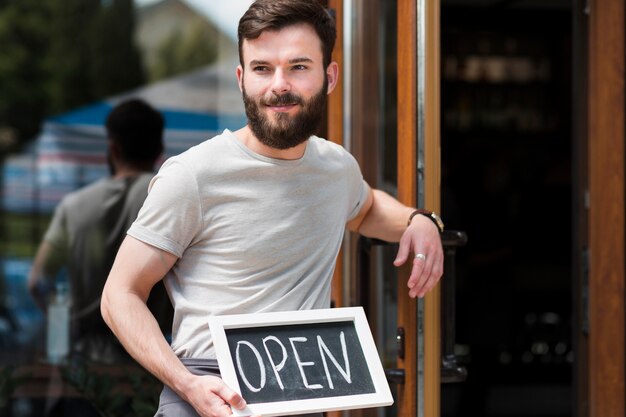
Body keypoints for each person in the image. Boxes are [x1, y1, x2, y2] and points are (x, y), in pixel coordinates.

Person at [101, 1, 444, 416]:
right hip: (208, 393)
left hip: (307, 392)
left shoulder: (335, 167)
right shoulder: (193, 174)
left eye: (298, 67)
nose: (279, 85)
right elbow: (120, 294)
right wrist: (186, 383)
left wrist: (418, 221)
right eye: (263, 68)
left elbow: (367, 209)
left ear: (329, 76)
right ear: (242, 78)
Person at [28, 98, 172, 363]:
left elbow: (37, 281)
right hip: (151, 359)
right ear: (159, 149)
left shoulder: (73, 207)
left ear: (113, 149)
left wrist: (65, 323)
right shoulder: (166, 199)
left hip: (86, 360)